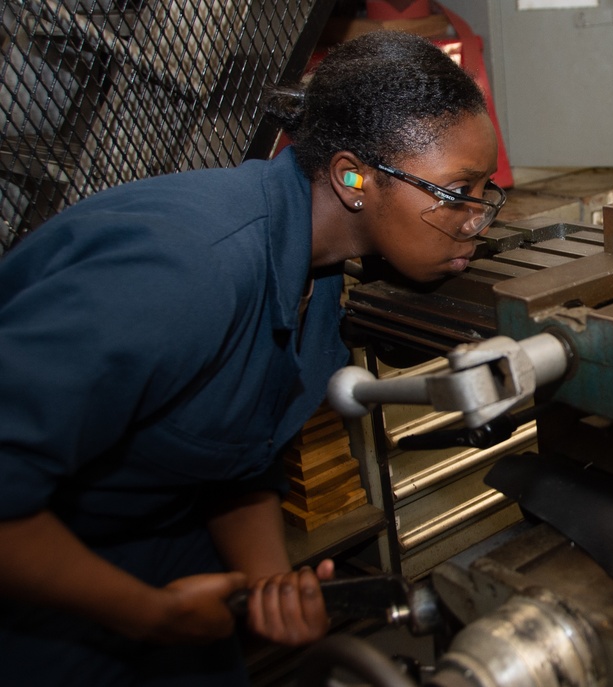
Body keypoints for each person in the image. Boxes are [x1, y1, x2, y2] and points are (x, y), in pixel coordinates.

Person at [0, 30, 503, 686]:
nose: (477, 219)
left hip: (171, 557)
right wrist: (145, 613)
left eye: (484, 190)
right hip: (41, 582)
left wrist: (269, 578)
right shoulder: (183, 274)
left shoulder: (316, 278)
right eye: (455, 191)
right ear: (354, 177)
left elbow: (234, 459)